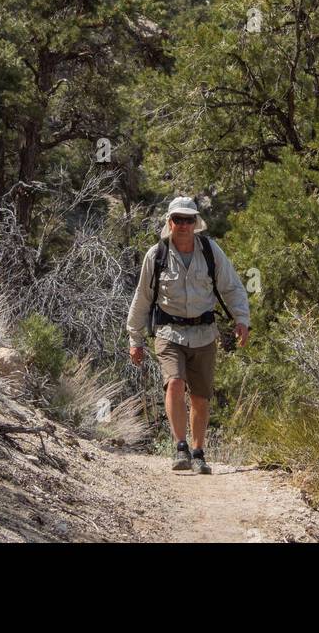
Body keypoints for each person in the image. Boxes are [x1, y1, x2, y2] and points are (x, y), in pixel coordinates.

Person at [127, 196, 250, 473]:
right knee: (175, 383)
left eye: (188, 220)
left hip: (205, 333)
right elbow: (142, 299)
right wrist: (135, 339)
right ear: (169, 222)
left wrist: (242, 319)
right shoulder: (155, 255)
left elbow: (232, 287)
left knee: (200, 397)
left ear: (196, 223)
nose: (183, 225)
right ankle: (180, 447)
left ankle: (198, 452)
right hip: (168, 332)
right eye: (178, 220)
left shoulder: (210, 251)